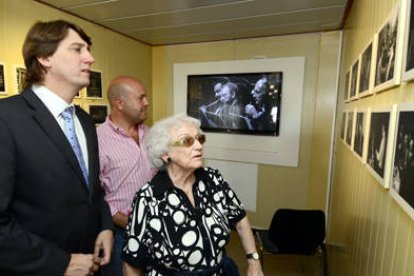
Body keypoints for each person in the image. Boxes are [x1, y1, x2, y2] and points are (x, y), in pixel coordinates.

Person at [0, 20, 113, 275]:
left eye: (88, 50)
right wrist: (60, 263)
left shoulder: (84, 121)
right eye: (77, 49)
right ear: (44, 57)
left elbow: (92, 189)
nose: (90, 58)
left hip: (90, 264)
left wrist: (105, 226)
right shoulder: (6, 119)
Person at [122, 114, 264, 276]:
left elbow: (240, 220)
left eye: (199, 138)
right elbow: (132, 262)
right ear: (165, 153)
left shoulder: (213, 180)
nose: (198, 146)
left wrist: (254, 261)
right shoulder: (148, 198)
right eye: (187, 141)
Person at [97, 76, 155, 276]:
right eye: (141, 98)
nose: (147, 102)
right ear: (119, 103)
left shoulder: (152, 134)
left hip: (156, 229)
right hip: (120, 233)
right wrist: (117, 217)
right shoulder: (97, 141)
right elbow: (92, 192)